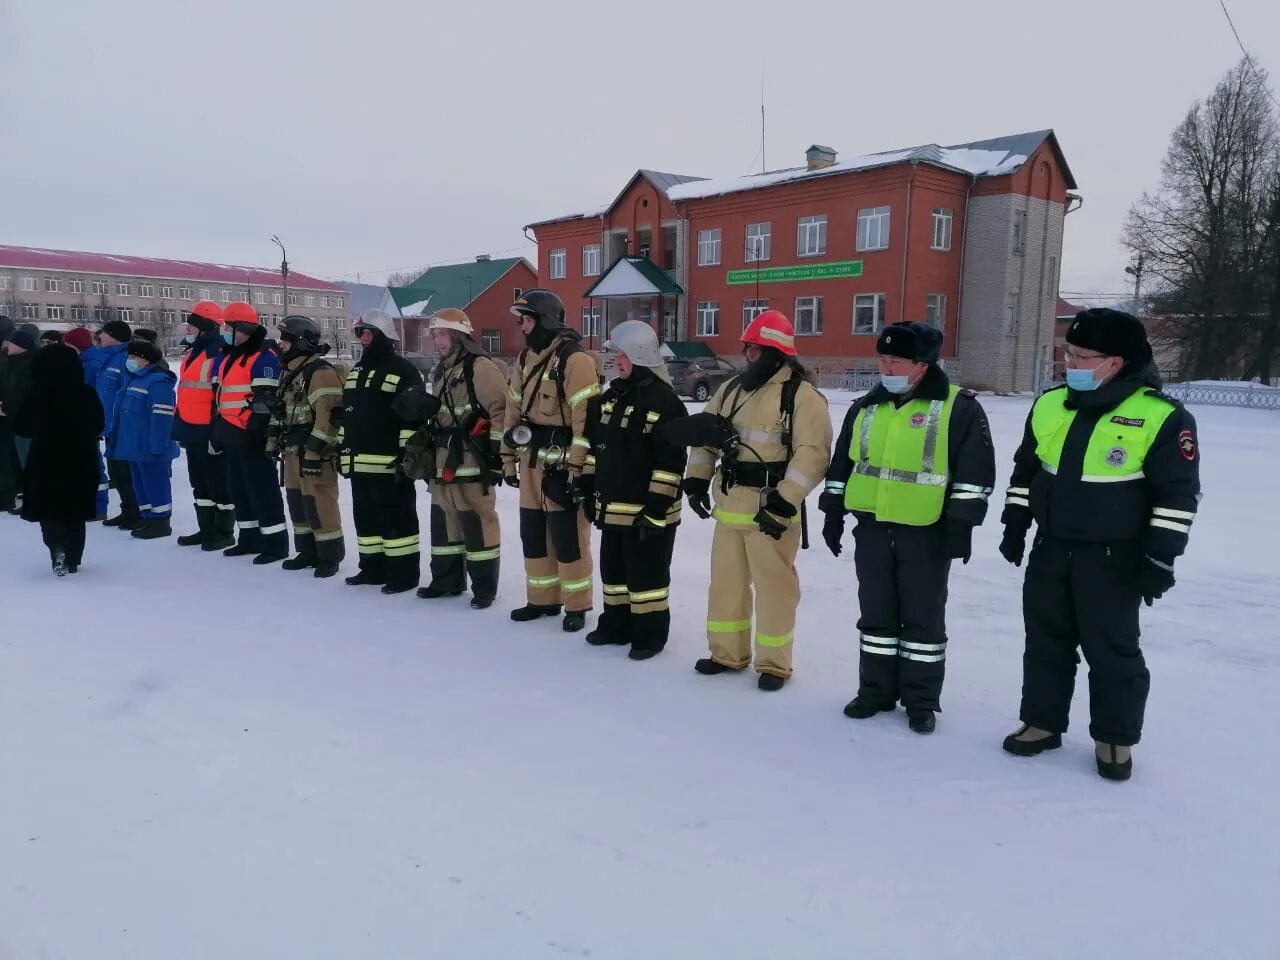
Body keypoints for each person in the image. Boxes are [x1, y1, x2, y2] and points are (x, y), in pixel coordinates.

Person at [999, 308, 1201, 781]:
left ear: (1117, 361)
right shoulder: (1050, 404)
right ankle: (1041, 723)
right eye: (1068, 353)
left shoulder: (1163, 417)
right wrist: (1015, 521)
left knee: (1112, 650)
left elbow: (1176, 496)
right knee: (1045, 642)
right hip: (1051, 548)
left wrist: (1160, 556)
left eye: (1082, 356)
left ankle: (1115, 737)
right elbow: (1027, 470)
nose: (1070, 363)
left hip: (1114, 557)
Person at [820, 322, 996, 734]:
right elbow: (844, 464)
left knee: (922, 621)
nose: (885, 367)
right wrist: (833, 510)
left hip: (926, 530)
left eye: (894, 360)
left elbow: (975, 472)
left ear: (921, 365)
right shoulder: (865, 406)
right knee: (876, 615)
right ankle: (875, 691)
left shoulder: (960, 407)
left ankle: (920, 700)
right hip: (873, 529)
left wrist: (962, 523)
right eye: (882, 359)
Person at [678, 310, 832, 691]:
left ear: (776, 353)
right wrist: (696, 479)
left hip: (771, 512)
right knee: (725, 586)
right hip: (730, 508)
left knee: (775, 589)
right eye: (746, 347)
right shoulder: (729, 391)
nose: (747, 354)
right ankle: (726, 654)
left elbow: (812, 455)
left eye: (755, 349)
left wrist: (785, 502)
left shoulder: (802, 397)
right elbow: (706, 438)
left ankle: (774, 664)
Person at [580, 320, 688, 659]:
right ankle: (616, 625)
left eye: (622, 355)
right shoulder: (609, 398)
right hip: (613, 510)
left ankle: (649, 636)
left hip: (648, 514)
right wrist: (586, 490)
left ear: (641, 354)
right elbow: (592, 447)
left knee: (647, 579)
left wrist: (656, 511)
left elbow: (670, 464)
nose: (616, 361)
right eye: (614, 354)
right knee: (613, 573)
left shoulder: (665, 403)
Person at [501, 289, 601, 632]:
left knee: (568, 536)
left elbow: (585, 421)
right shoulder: (524, 360)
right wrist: (507, 458)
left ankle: (577, 605)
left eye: (527, 320)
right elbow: (513, 410)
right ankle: (541, 599)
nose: (522, 327)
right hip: (531, 462)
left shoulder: (575, 361)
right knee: (533, 532)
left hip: (561, 467)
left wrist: (578, 469)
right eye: (521, 320)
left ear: (545, 320)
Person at [417, 308, 507, 609]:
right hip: (444, 462)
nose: (437, 341)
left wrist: (495, 458)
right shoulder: (443, 370)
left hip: (472, 460)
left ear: (459, 336)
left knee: (477, 522)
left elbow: (500, 412)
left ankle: (483, 588)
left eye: (442, 334)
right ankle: (446, 580)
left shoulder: (481, 367)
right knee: (444, 523)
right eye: (435, 335)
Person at [339, 309, 425, 594]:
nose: (363, 338)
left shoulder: (404, 371)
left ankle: (403, 575)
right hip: (360, 464)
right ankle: (372, 569)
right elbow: (348, 417)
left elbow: (412, 420)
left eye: (368, 333)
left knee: (397, 521)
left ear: (383, 335)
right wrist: (343, 449)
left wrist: (406, 458)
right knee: (366, 520)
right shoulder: (357, 371)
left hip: (391, 465)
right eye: (360, 333)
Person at [267, 315, 346, 578]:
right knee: (297, 502)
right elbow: (281, 411)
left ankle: (329, 555)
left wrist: (314, 453)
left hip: (314, 455)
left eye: (286, 340)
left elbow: (327, 418)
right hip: (292, 452)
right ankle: (306, 551)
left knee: (319, 502)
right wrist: (272, 442)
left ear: (300, 342)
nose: (282, 345)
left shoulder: (319, 372)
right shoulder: (289, 372)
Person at [15, 344, 104, 574]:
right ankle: (73, 558)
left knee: (49, 510)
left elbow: (22, 427)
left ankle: (56, 547)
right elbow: (99, 425)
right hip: (80, 459)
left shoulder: (38, 394)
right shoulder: (86, 393)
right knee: (76, 511)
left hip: (45, 461)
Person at [212, 301, 288, 564]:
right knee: (238, 489)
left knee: (262, 490)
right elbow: (221, 396)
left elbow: (265, 401)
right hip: (232, 433)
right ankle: (249, 538)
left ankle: (275, 544)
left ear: (243, 329)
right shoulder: (231, 357)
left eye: (229, 326)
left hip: (253, 435)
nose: (225, 331)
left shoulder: (263, 357)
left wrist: (255, 432)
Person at [173, 301, 236, 551]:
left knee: (218, 484)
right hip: (192, 429)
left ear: (204, 328)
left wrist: (217, 433)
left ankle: (224, 532)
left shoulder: (217, 353)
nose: (187, 329)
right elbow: (186, 393)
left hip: (210, 430)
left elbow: (219, 396)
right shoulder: (194, 353)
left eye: (192, 325)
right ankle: (206, 529)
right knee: (199, 482)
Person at [107, 339, 180, 539]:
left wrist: (158, 445)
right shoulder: (135, 379)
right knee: (141, 484)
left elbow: (162, 418)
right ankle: (148, 518)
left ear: (145, 360)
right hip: (135, 446)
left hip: (151, 446)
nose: (129, 360)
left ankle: (161, 522)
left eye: (133, 357)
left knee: (156, 484)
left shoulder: (158, 382)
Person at [96, 318, 140, 530]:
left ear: (113, 336)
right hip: (110, 425)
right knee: (117, 472)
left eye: (103, 332)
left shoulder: (125, 359)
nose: (100, 336)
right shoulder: (109, 358)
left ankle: (136, 511)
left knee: (126, 472)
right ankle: (127, 509)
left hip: (122, 425)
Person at [64, 326, 111, 520]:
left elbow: (87, 393)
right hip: (87, 419)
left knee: (92, 463)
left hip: (86, 420)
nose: (65, 347)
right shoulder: (87, 360)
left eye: (68, 344)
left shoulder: (89, 364)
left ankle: (98, 506)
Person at [1, 324, 39, 514]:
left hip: (27, 422)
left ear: (22, 346)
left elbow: (22, 395)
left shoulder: (28, 366)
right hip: (16, 421)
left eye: (13, 343)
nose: (8, 346)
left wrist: (7, 408)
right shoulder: (14, 363)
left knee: (30, 463)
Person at [0, 315, 18, 512]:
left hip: (5, 411)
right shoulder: (10, 354)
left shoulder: (5, 356)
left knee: (4, 455)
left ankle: (5, 497)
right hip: (9, 410)